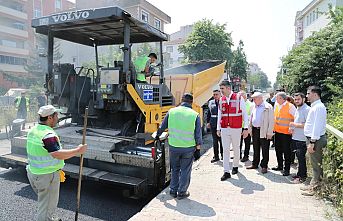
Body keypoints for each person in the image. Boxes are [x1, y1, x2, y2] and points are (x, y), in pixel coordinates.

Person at [26, 105, 88, 221]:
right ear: (50, 118)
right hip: (47, 176)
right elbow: (57, 153)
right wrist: (78, 151)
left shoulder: (34, 130)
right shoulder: (48, 134)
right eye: (56, 115)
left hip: (34, 173)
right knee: (45, 211)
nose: (57, 118)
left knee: (44, 203)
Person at [156, 93, 202, 199]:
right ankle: (182, 192)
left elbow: (162, 127)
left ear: (181, 100)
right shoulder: (195, 115)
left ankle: (173, 190)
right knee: (185, 170)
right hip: (188, 149)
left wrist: (157, 135)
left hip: (174, 147)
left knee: (175, 169)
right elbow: (198, 135)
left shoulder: (171, 111)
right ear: (191, 102)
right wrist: (198, 150)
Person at [217, 80, 249, 181]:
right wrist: (218, 128)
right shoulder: (221, 99)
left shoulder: (239, 98)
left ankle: (235, 166)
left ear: (228, 88)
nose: (221, 91)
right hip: (225, 128)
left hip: (236, 128)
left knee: (236, 148)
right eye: (220, 88)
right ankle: (226, 171)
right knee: (225, 149)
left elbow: (245, 114)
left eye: (222, 88)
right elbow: (219, 115)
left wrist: (246, 128)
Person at [301, 86, 327, 196]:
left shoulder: (319, 107)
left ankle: (315, 189)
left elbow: (317, 126)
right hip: (313, 139)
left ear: (315, 94)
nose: (306, 96)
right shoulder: (315, 106)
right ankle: (313, 185)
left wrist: (312, 142)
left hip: (315, 140)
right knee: (314, 163)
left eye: (308, 93)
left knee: (316, 165)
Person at [246, 92, 274, 174]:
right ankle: (255, 164)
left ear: (260, 98)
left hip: (264, 130)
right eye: (253, 99)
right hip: (255, 130)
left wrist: (269, 132)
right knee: (255, 148)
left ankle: (264, 166)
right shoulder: (253, 106)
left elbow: (271, 121)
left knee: (265, 149)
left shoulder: (268, 107)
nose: (253, 100)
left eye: (255, 99)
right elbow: (251, 118)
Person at [273, 92, 296, 176]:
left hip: (286, 133)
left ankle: (287, 169)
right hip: (277, 132)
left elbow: (296, 118)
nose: (276, 99)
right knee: (278, 150)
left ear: (283, 99)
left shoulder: (290, 106)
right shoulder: (277, 105)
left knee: (286, 152)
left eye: (277, 98)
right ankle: (280, 166)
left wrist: (292, 128)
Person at [289, 93, 310, 184]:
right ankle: (299, 174)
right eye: (295, 99)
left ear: (303, 99)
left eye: (298, 99)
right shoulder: (298, 108)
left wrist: (294, 125)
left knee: (301, 159)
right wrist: (292, 128)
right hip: (296, 137)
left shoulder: (306, 110)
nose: (296, 101)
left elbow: (307, 125)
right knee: (298, 158)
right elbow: (297, 121)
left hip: (302, 138)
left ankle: (303, 176)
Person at [207, 89, 223, 163]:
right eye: (214, 94)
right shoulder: (211, 102)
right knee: (215, 141)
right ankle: (216, 156)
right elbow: (209, 113)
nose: (215, 96)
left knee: (222, 140)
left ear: (220, 94)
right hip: (213, 123)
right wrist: (208, 122)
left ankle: (223, 155)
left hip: (221, 123)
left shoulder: (223, 101)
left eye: (216, 94)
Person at [239, 90, 252, 162]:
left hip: (246, 127)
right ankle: (238, 155)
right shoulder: (238, 104)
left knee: (247, 142)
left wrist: (245, 117)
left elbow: (252, 116)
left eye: (240, 96)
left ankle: (246, 156)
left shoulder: (250, 105)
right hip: (238, 126)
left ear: (244, 97)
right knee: (238, 142)